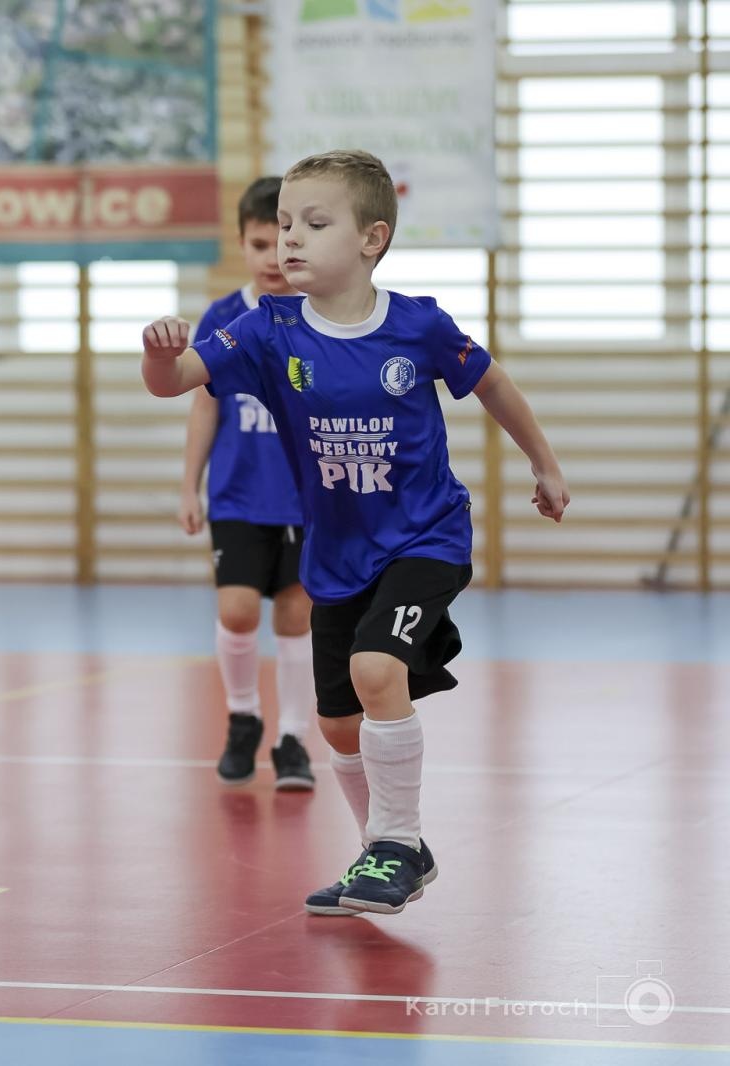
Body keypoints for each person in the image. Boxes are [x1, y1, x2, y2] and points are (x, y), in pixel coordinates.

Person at [141, 149, 568, 915]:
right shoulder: (264, 329)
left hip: (423, 536)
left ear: (373, 239)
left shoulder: (416, 325)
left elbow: (494, 383)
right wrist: (157, 356)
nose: (290, 239)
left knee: (376, 670)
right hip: (336, 553)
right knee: (338, 723)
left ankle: (397, 843)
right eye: (283, 225)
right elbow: (175, 383)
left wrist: (544, 463)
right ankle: (384, 849)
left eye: (314, 223)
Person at [179, 177, 314, 791]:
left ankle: (293, 738)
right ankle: (242, 718)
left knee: (295, 617)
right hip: (237, 494)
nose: (271, 258)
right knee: (235, 611)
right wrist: (190, 486)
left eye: (281, 244)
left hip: (307, 500)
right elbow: (204, 406)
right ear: (241, 244)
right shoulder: (225, 318)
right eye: (258, 245)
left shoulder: (319, 315)